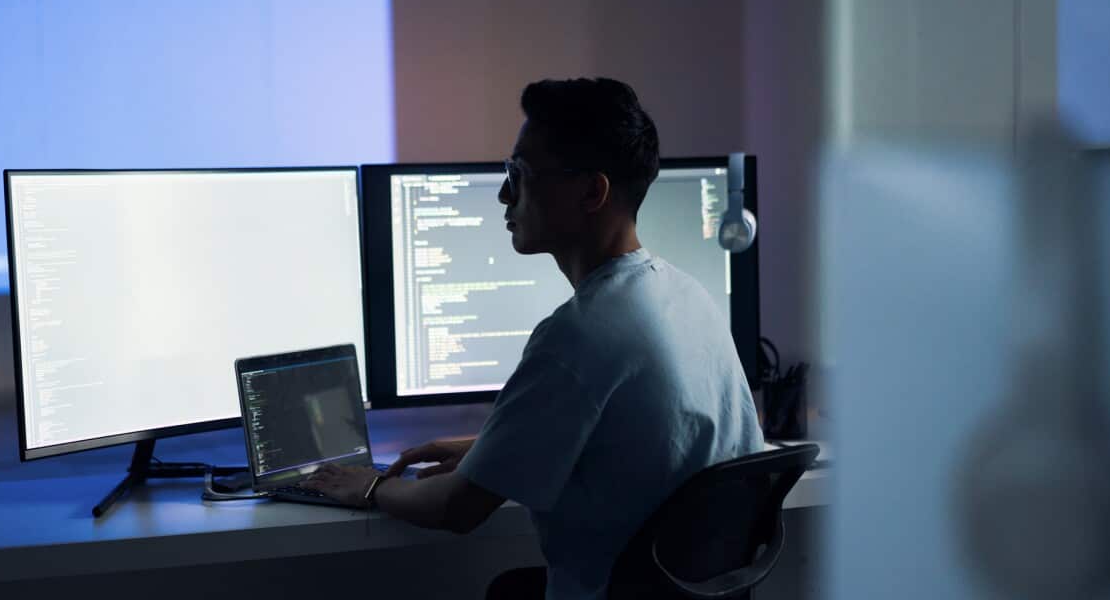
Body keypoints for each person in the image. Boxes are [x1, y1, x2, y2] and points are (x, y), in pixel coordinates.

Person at [300, 78, 764, 599]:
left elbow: (455, 509)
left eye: (517, 174)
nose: (503, 194)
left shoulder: (579, 334)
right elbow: (649, 442)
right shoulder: (688, 295)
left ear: (593, 191)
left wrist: (369, 486)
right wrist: (494, 449)